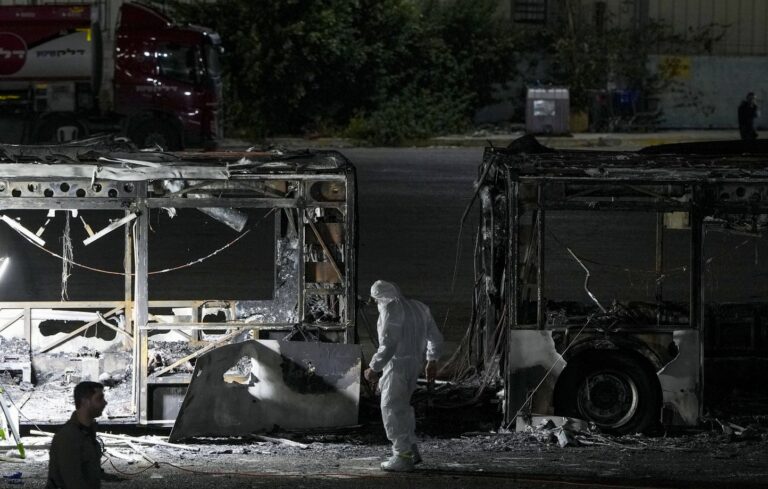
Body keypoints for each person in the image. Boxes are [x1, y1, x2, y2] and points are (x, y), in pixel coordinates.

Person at [363, 280, 443, 472]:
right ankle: (411, 449)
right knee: (403, 407)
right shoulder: (419, 307)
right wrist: (432, 360)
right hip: (414, 364)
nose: (376, 304)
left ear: (380, 298)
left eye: (376, 300)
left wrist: (374, 368)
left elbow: (389, 344)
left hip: (397, 365)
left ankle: (402, 456)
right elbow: (436, 337)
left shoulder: (391, 309)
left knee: (390, 408)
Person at [46, 381, 117, 488]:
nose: (105, 402)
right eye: (99, 398)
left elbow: (87, 469)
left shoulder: (87, 432)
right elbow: (73, 481)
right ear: (85, 402)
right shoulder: (68, 437)